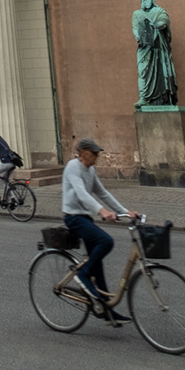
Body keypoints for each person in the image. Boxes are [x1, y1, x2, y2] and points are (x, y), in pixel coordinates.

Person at [60, 138, 132, 325]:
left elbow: (103, 193)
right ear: (83, 152)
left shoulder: (90, 170)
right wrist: (102, 211)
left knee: (97, 264)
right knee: (106, 241)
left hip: (84, 217)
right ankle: (82, 274)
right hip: (73, 217)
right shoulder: (73, 167)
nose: (97, 157)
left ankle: (106, 310)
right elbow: (82, 193)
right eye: (94, 153)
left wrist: (125, 212)